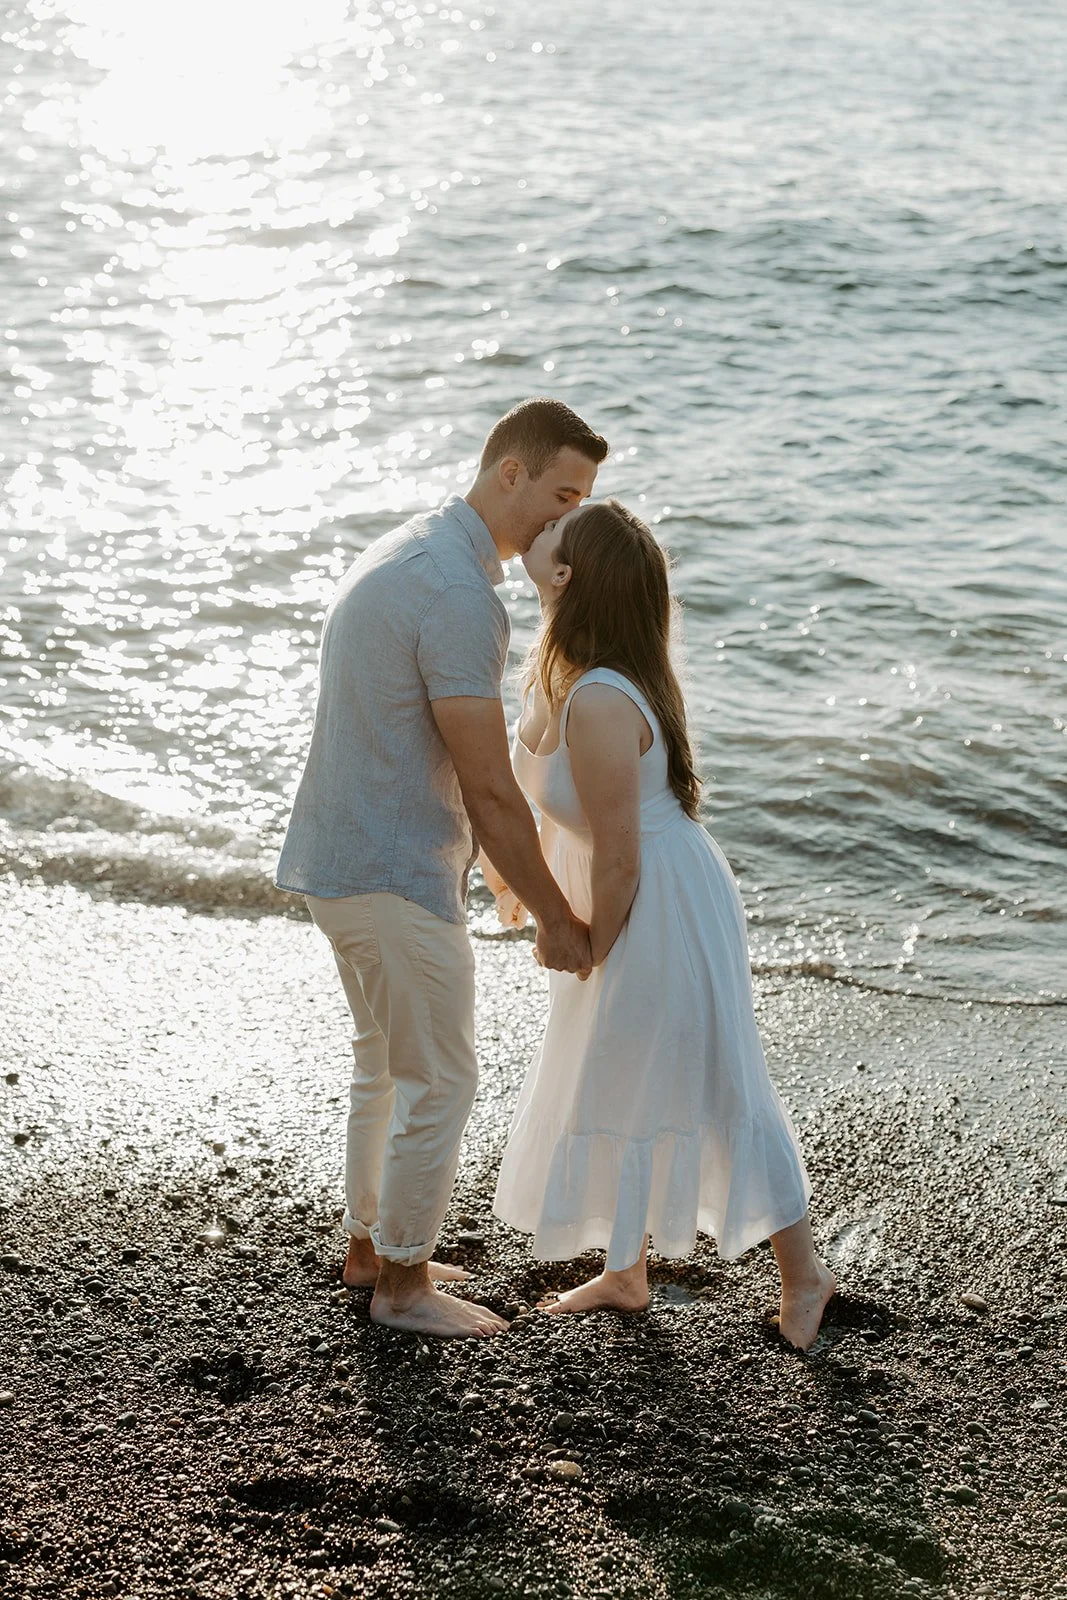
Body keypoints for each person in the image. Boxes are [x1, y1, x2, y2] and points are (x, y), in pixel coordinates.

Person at [276, 399, 608, 1340]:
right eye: (561, 493)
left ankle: (370, 1246)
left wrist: (496, 873)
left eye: (582, 500)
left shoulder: (416, 545)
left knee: (385, 1064)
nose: (568, 517)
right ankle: (403, 1287)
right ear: (510, 471)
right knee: (443, 1080)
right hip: (388, 871)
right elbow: (488, 782)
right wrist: (551, 910)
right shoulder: (462, 598)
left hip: (336, 859)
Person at [486, 500, 837, 1350]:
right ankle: (626, 1270)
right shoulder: (555, 663)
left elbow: (620, 856)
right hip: (613, 883)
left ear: (570, 577)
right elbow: (541, 797)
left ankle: (806, 1275)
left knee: (716, 1078)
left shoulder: (603, 698)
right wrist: (515, 878)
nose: (538, 531)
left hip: (657, 899)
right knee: (614, 1069)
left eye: (553, 538)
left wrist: (583, 942)